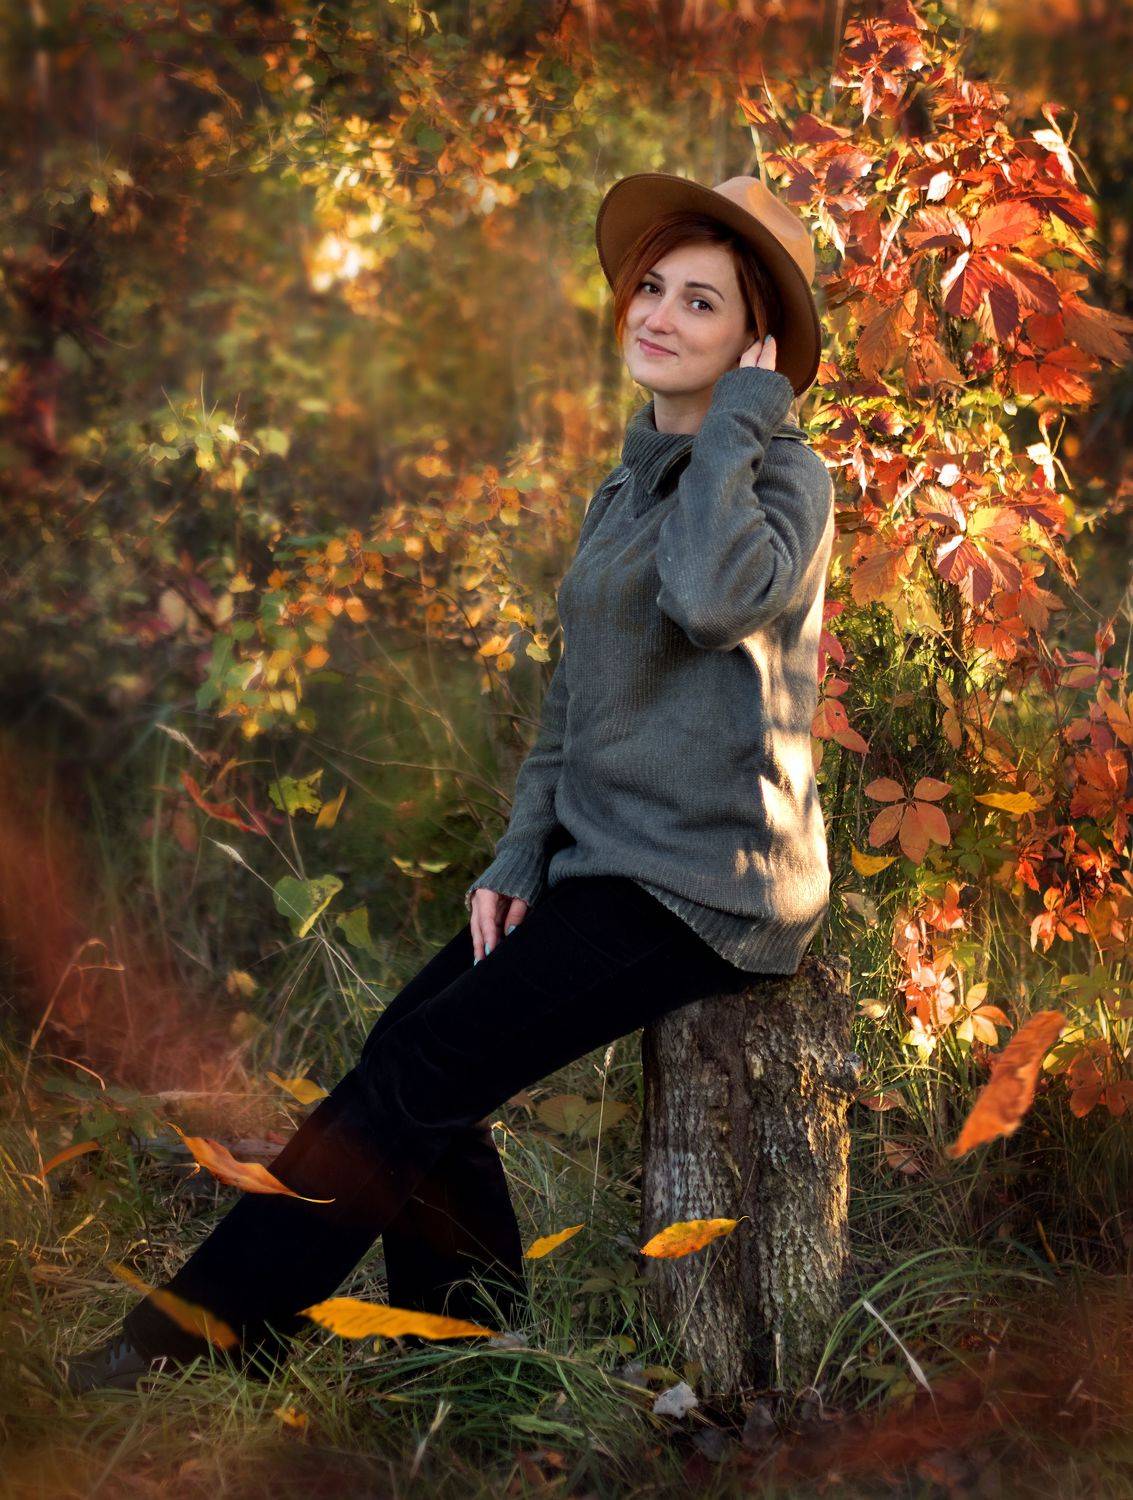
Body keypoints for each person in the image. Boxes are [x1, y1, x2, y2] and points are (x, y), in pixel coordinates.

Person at [63, 172, 835, 1394]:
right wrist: (520, 851)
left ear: (757, 345)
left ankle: (188, 1341)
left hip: (709, 882)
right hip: (604, 862)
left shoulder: (783, 480)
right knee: (411, 1052)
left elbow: (705, 600)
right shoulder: (623, 485)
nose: (656, 315)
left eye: (701, 302)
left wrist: (741, 420)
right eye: (651, 287)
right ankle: (469, 1354)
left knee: (426, 1071)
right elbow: (574, 696)